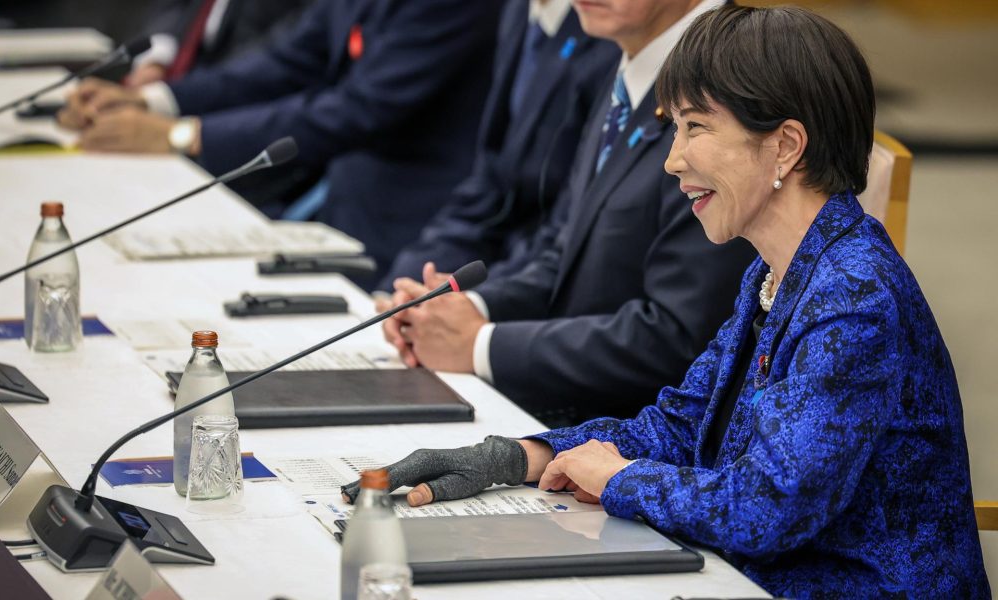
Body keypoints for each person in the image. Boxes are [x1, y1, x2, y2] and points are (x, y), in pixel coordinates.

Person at [347, 6, 991, 597]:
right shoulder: (777, 273)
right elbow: (680, 426)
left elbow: (767, 510)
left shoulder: (853, 296)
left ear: (786, 146)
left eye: (696, 128)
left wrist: (619, 479)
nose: (672, 160)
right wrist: (518, 455)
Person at [384, 0, 755, 425]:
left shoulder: (728, 78)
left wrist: (480, 344)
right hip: (581, 421)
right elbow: (565, 248)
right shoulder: (633, 65)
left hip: (650, 440)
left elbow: (679, 335)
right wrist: (462, 310)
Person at [56, 0, 503, 285]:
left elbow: (358, 109)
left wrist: (182, 134)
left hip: (411, 230)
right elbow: (284, 64)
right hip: (341, 207)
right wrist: (152, 101)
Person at [377, 0, 618, 290]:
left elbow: (563, 228)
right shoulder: (519, 11)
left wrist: (480, 302)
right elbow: (491, 178)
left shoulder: (606, 30)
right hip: (504, 258)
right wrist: (405, 283)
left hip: (544, 273)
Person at [128, 0, 314, 86]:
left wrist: (178, 95)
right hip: (172, 65)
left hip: (235, 90)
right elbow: (172, 6)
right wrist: (156, 59)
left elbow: (277, 50)